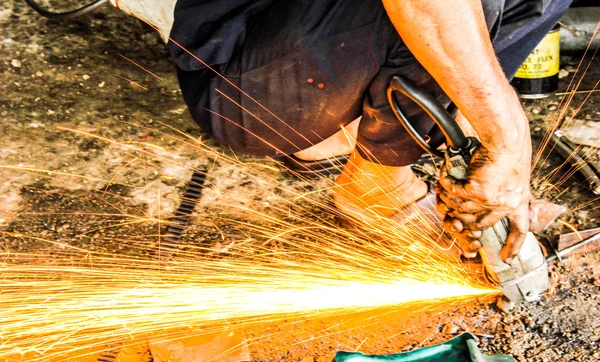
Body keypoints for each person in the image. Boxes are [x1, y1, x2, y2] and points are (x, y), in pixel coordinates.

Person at [169, 0, 572, 260]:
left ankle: (336, 138)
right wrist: (509, 138)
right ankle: (376, 185)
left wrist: (480, 142)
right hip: (245, 84)